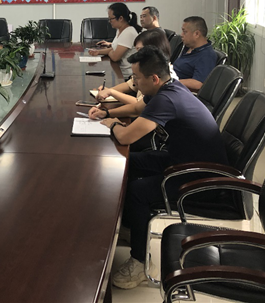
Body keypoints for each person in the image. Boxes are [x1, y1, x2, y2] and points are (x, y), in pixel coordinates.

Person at [94, 46, 228, 289]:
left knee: (137, 191)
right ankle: (133, 226)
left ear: (154, 78)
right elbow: (138, 108)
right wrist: (106, 112)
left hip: (200, 178)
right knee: (128, 162)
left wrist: (112, 123)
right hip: (181, 159)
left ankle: (139, 264)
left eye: (137, 78)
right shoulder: (169, 88)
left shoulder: (167, 99)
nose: (134, 83)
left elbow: (125, 137)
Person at [93, 28, 174, 106]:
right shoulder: (147, 66)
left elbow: (139, 105)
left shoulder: (164, 74)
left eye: (140, 50)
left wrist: (111, 92)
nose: (137, 54)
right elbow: (130, 84)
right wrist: (108, 90)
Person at [89, 3, 142, 76]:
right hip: (119, 70)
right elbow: (114, 49)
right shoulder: (120, 30)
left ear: (120, 18)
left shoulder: (128, 32)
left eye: (111, 19)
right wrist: (98, 52)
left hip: (128, 75)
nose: (109, 21)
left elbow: (115, 57)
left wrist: (111, 52)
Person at [173, 16, 217, 93]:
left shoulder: (207, 55)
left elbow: (199, 84)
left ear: (196, 34)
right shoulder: (189, 47)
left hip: (177, 90)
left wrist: (171, 81)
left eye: (185, 32)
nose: (181, 35)